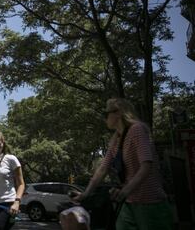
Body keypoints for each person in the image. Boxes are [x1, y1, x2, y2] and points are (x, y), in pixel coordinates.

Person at [73, 98, 173, 230]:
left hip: (150, 203)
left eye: (106, 114)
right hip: (129, 202)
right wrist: (85, 194)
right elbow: (102, 169)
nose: (105, 118)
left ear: (118, 113)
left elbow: (146, 165)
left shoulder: (137, 129)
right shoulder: (116, 139)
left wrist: (125, 191)